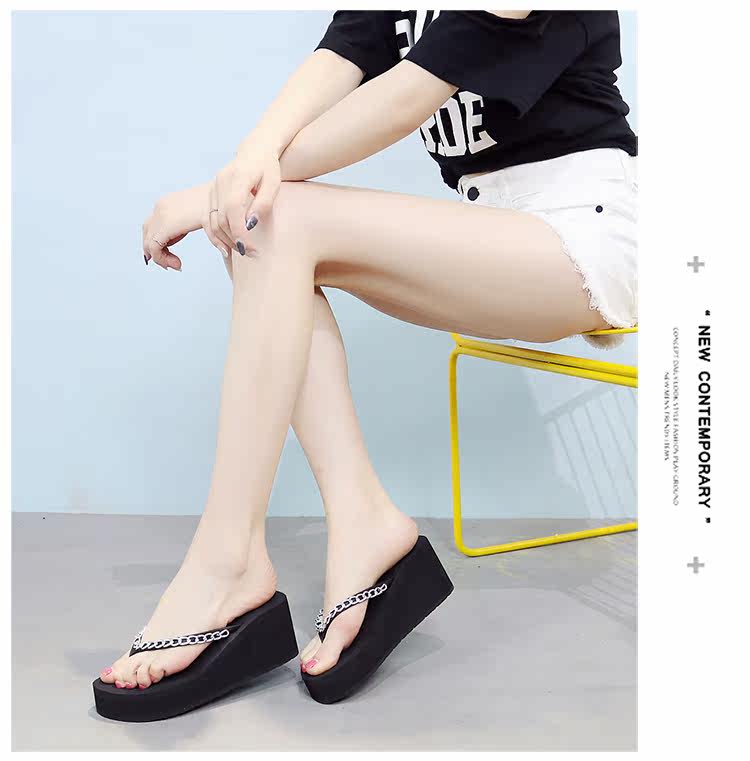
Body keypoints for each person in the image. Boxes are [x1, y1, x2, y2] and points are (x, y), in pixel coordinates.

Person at [94, 9, 637, 714]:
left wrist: (213, 198)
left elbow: (408, 94)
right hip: (495, 226)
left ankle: (225, 564)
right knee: (265, 226)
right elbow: (344, 51)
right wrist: (247, 164)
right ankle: (362, 525)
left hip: (584, 232)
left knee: (269, 215)